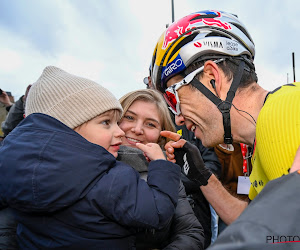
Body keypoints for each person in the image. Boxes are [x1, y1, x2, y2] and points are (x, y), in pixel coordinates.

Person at [0, 66, 181, 249]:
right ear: (71, 126)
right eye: (106, 122)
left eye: (150, 124)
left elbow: (188, 231)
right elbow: (158, 211)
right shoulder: (110, 178)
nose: (124, 130)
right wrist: (161, 166)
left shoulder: (12, 171)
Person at [149, 9, 300, 227]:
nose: (178, 118)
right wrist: (202, 175)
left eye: (173, 99)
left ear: (212, 78)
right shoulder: (259, 139)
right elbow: (256, 225)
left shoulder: (287, 109)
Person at [117, 89, 204, 249]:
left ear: (161, 135)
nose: (137, 129)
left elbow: (191, 232)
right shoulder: (91, 161)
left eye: (150, 124)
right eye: (129, 117)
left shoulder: (167, 174)